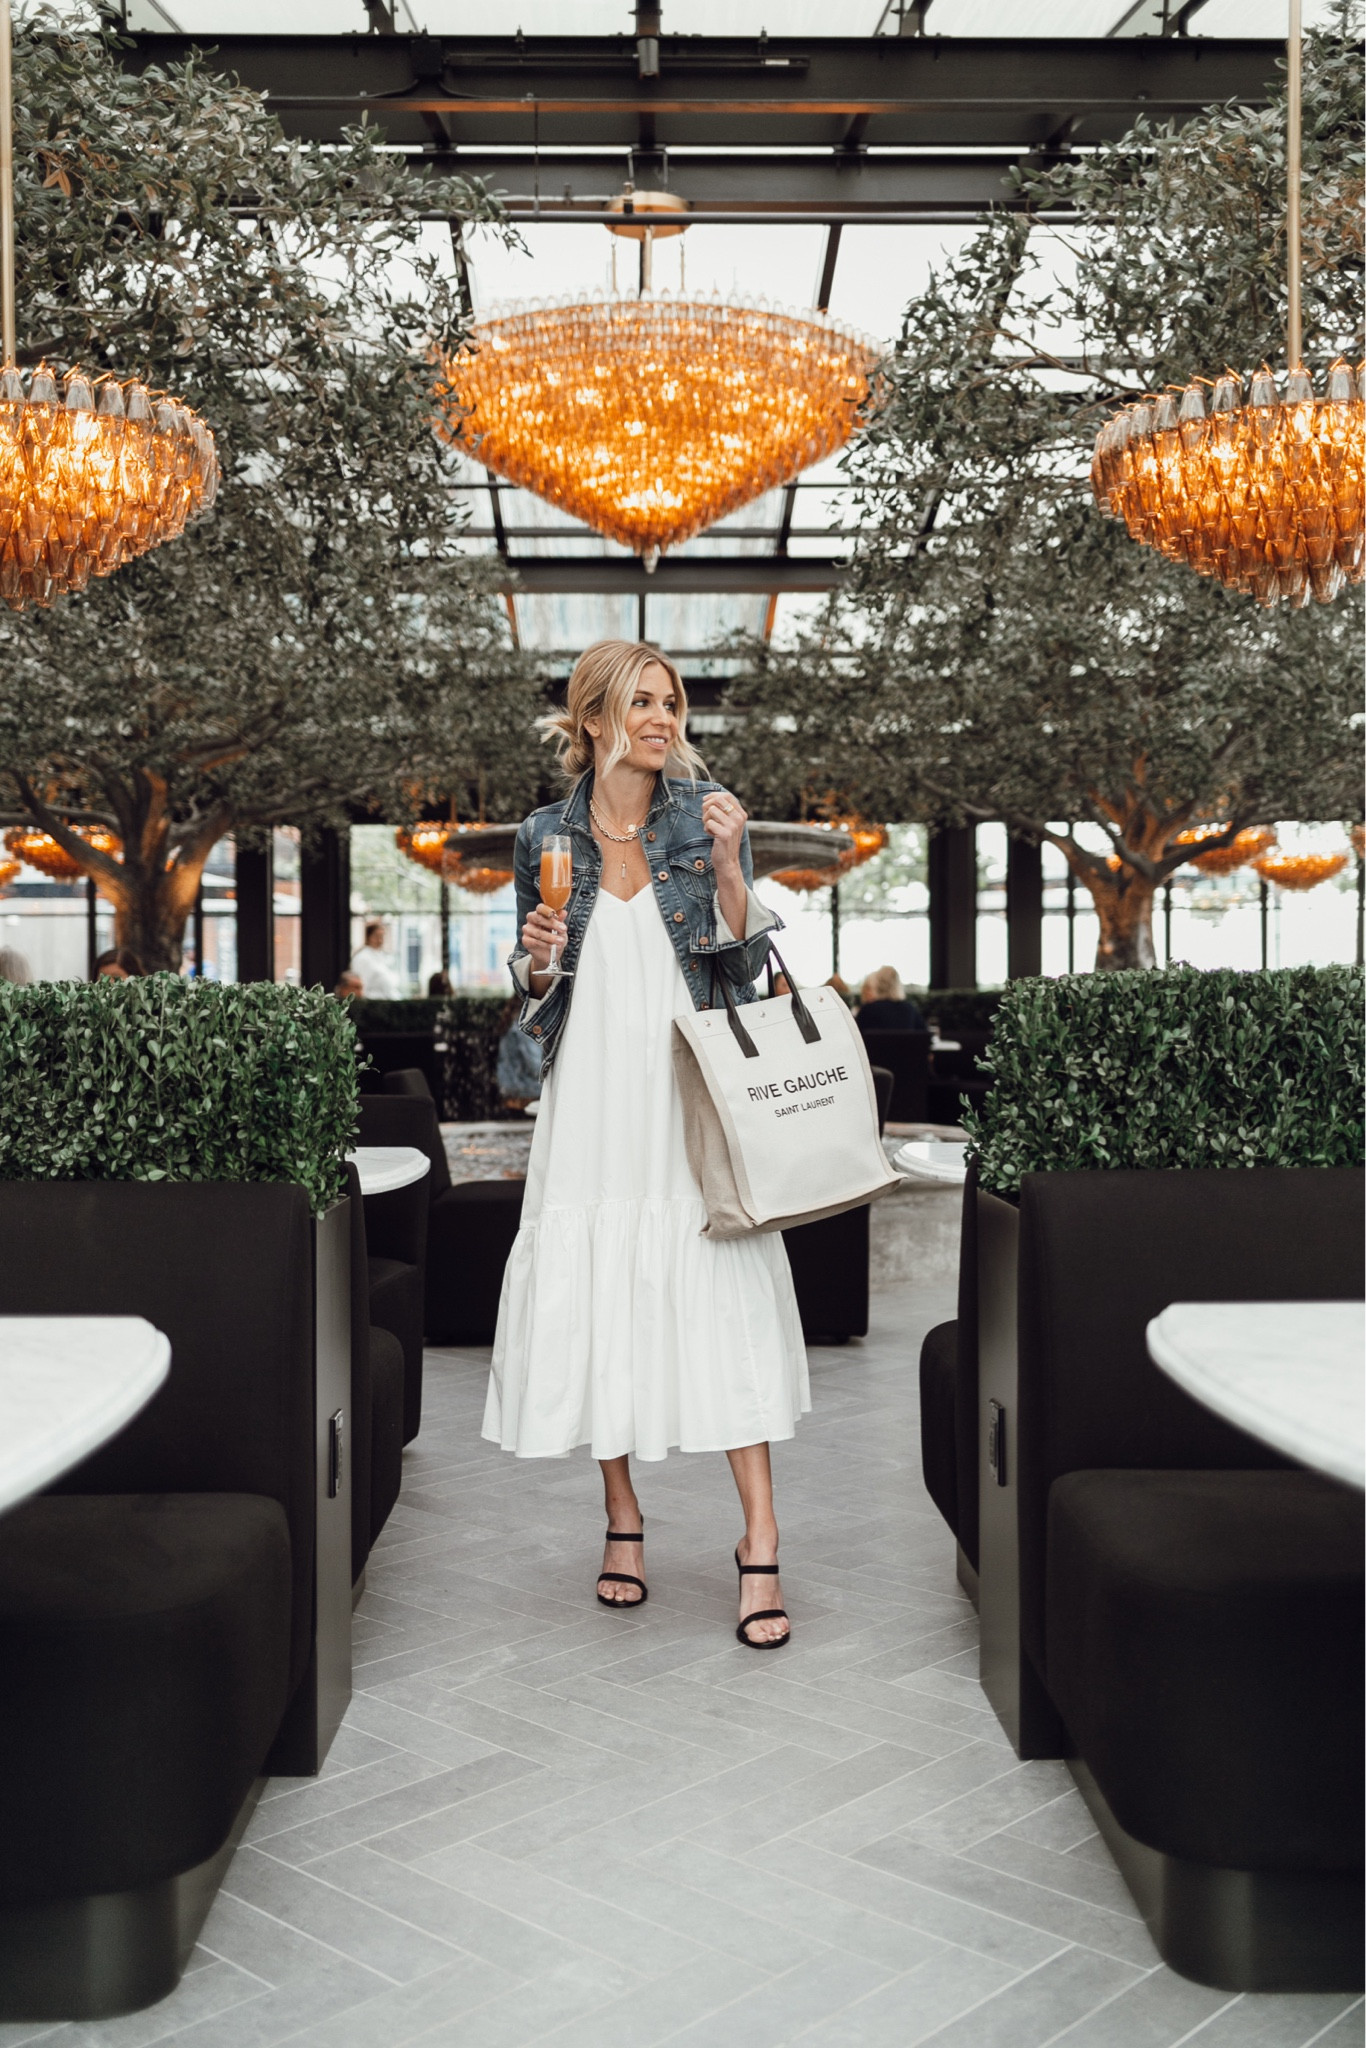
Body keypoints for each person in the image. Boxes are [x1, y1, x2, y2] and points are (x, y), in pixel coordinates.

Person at [484, 638, 808, 1648]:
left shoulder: (705, 819)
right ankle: (622, 1516)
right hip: (590, 1099)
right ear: (591, 721)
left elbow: (746, 978)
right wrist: (533, 963)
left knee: (718, 1290)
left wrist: (725, 868)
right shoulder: (545, 833)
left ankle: (760, 1537)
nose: (665, 719)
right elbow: (538, 986)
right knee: (600, 1295)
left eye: (671, 703)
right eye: (642, 703)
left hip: (686, 1095)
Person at [856, 965, 926, 1034]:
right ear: (898, 984)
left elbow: (856, 1039)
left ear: (877, 984)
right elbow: (924, 1037)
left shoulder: (867, 1010)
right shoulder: (910, 1009)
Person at [348, 919, 400, 999]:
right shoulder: (362, 958)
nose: (380, 940)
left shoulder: (381, 956)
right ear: (368, 937)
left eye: (382, 936)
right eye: (376, 936)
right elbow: (361, 988)